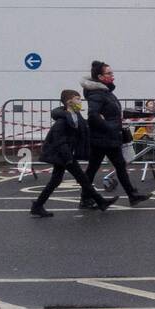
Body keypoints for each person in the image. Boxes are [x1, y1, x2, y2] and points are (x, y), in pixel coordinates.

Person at [31, 89, 113, 217]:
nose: (80, 102)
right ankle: (101, 201)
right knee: (82, 179)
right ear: (69, 102)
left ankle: (37, 205)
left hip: (67, 154)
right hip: (63, 155)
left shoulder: (76, 115)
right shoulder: (62, 120)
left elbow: (84, 127)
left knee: (56, 181)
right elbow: (59, 140)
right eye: (78, 99)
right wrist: (68, 157)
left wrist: (98, 122)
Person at [81, 61, 150, 207]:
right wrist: (109, 127)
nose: (112, 76)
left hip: (109, 137)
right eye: (109, 73)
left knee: (119, 165)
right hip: (101, 138)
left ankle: (132, 195)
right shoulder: (97, 94)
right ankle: (85, 199)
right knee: (93, 169)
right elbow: (93, 115)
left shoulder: (106, 92)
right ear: (100, 76)